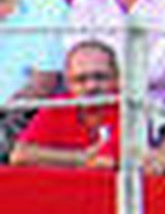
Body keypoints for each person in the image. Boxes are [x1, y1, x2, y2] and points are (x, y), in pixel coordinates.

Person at [7, 40, 119, 169]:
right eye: (81, 79)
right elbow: (20, 155)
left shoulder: (130, 108)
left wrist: (57, 158)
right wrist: (81, 157)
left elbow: (106, 161)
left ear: (117, 77)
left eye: (100, 77)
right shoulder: (60, 105)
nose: (91, 86)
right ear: (68, 82)